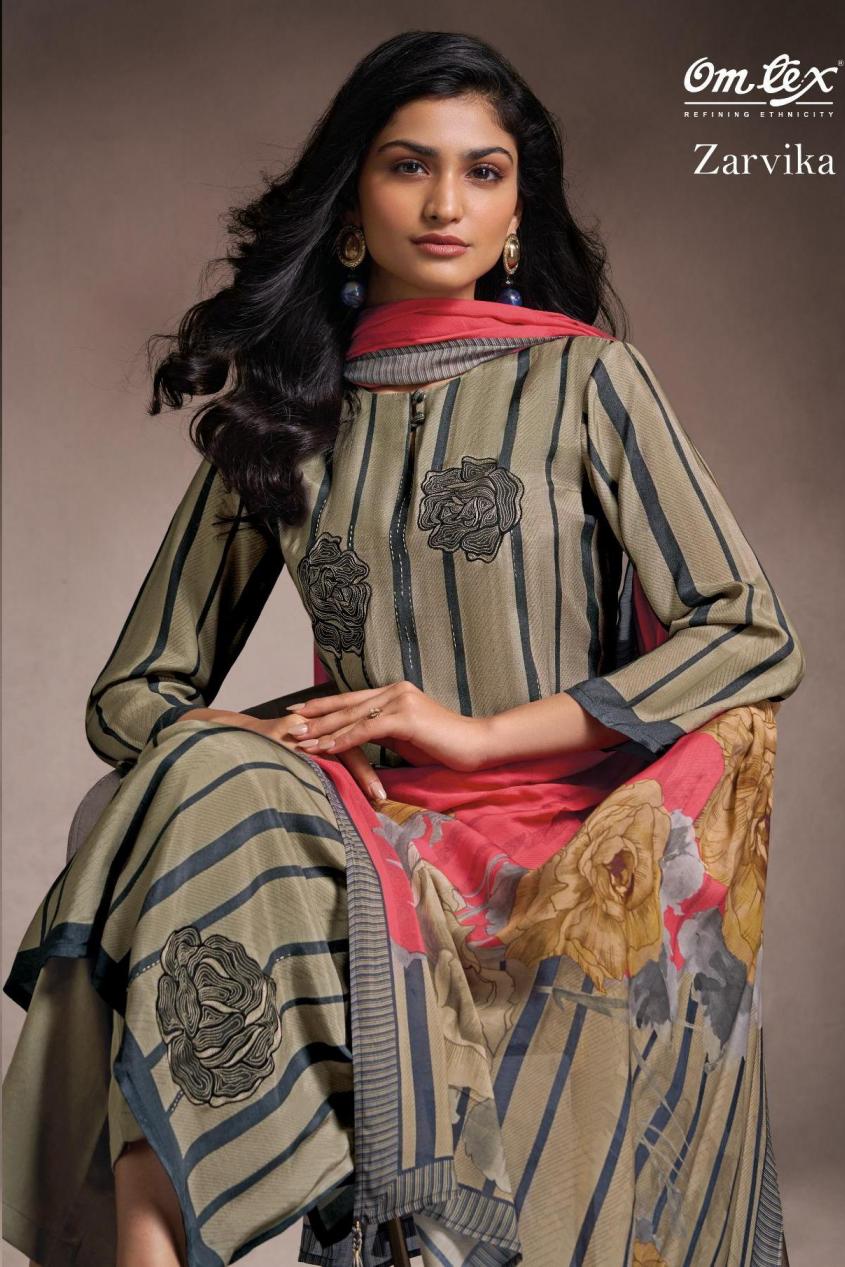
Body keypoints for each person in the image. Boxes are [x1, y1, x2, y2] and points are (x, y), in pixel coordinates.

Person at [2, 29, 804, 1267]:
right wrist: (285, 742)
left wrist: (472, 733)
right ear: (350, 205)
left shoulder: (589, 383)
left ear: (518, 212)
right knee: (202, 778)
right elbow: (134, 693)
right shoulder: (285, 418)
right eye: (407, 166)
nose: (445, 205)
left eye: (484, 172)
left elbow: (747, 629)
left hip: (559, 830)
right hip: (361, 830)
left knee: (196, 800)